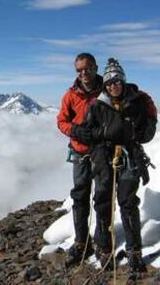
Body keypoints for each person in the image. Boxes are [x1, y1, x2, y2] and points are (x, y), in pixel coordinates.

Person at [84, 58, 157, 274]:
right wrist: (104, 134)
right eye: (109, 83)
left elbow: (146, 132)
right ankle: (104, 249)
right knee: (103, 202)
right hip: (104, 158)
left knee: (127, 203)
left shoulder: (137, 102)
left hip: (128, 157)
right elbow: (87, 132)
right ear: (105, 85)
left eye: (116, 81)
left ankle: (134, 252)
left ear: (123, 81)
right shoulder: (98, 105)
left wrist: (133, 134)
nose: (113, 85)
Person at [56, 52, 103, 265]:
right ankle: (81, 242)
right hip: (80, 152)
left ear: (95, 67)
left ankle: (102, 242)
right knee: (80, 197)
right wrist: (75, 130)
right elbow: (61, 121)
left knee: (103, 197)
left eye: (87, 68)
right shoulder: (70, 96)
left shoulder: (107, 90)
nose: (84, 73)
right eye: (79, 70)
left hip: (103, 152)